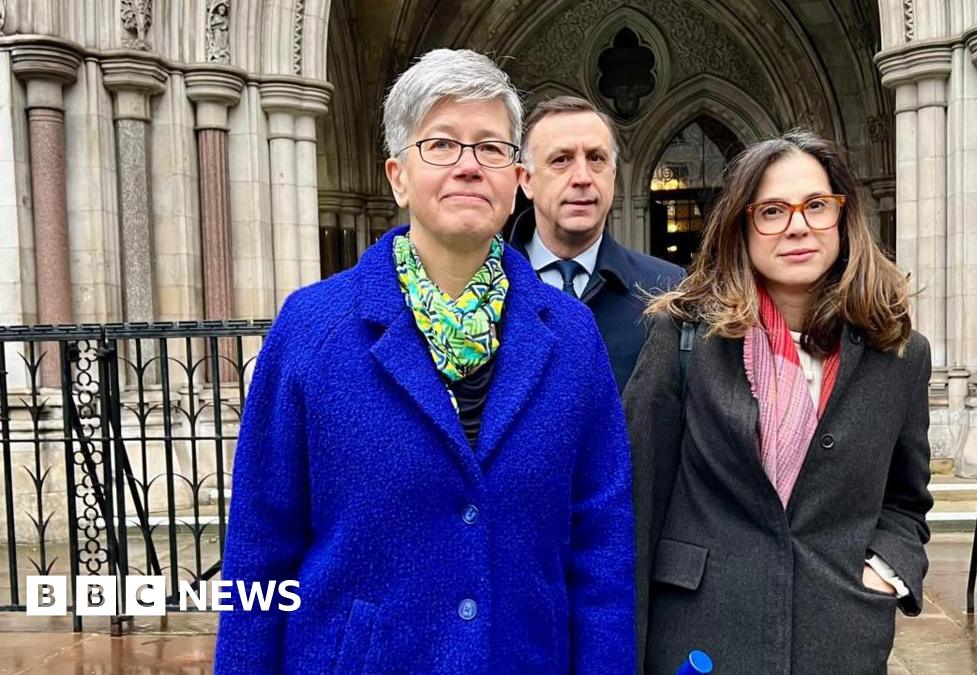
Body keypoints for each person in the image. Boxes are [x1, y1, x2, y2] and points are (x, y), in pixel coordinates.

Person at [214, 49, 635, 674]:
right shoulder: (312, 328)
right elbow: (260, 547)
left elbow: (601, 545)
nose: (469, 166)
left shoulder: (569, 334)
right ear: (398, 176)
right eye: (441, 144)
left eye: (490, 147)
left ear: (516, 177)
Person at [625, 130, 933, 674]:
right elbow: (636, 499)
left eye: (816, 205)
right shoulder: (684, 337)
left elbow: (905, 502)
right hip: (702, 635)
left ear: (843, 216)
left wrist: (885, 570)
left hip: (838, 635)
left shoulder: (899, 355)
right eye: (771, 210)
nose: (796, 226)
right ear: (742, 227)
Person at [508, 96, 683, 391]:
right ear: (526, 180)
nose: (582, 178)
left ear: (613, 175)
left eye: (596, 158)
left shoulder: (667, 291)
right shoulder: (486, 287)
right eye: (561, 159)